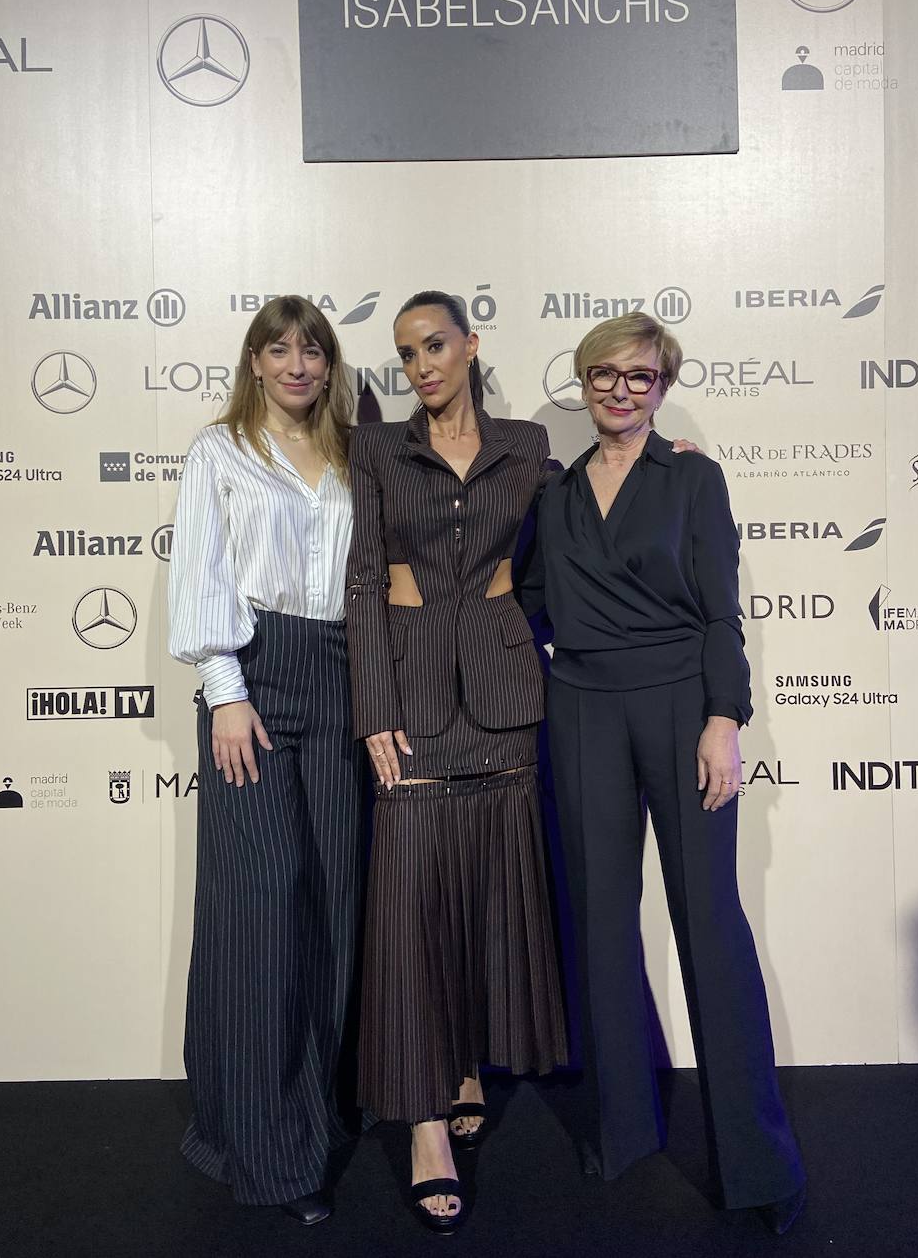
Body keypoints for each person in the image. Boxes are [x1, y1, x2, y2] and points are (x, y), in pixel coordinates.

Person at [520, 312, 807, 1235]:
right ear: (583, 380)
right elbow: (524, 603)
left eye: (639, 377)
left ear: (662, 386)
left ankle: (756, 1165)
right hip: (581, 708)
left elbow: (720, 611)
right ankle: (623, 1133)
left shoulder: (692, 476)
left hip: (682, 704)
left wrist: (724, 718)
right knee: (600, 924)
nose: (619, 390)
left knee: (708, 926)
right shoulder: (553, 495)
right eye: (604, 374)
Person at [345, 290, 568, 1232]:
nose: (421, 365)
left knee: (485, 896)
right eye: (405, 354)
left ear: (471, 345)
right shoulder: (376, 450)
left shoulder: (527, 445)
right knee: (412, 905)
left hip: (506, 698)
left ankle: (468, 1056)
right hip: (412, 698)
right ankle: (426, 1122)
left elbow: (568, 545)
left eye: (435, 345)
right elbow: (362, 581)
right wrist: (372, 711)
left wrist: (656, 466)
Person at [167, 296, 366, 1226]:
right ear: (252, 362)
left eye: (312, 350)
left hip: (344, 678)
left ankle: (310, 1117)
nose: (296, 364)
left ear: (329, 366)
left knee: (329, 905)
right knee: (259, 915)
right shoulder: (218, 453)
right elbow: (202, 570)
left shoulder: (355, 459)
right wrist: (225, 689)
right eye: (277, 349)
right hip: (253, 680)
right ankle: (265, 1150)